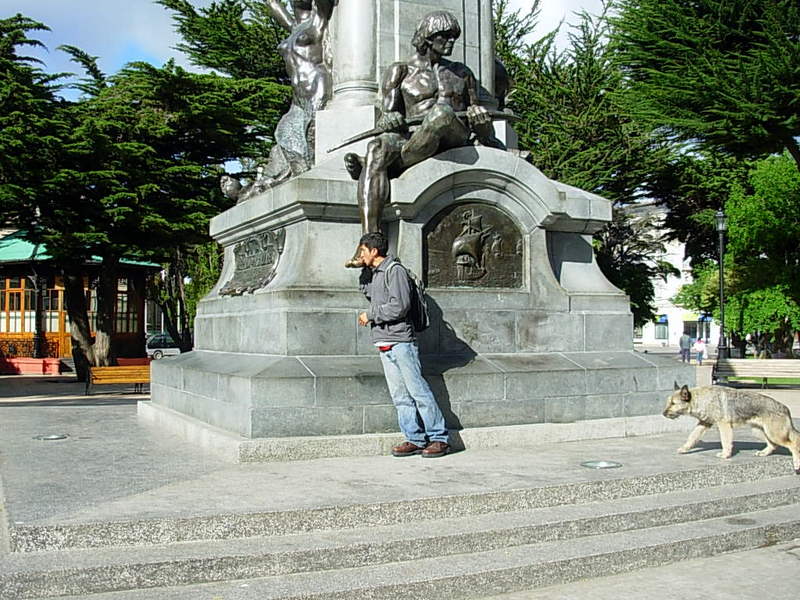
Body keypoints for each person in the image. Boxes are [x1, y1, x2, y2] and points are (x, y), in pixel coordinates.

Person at [343, 10, 503, 267]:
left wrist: (481, 124)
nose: (451, 42)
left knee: (441, 113)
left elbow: (482, 129)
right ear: (427, 37)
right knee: (376, 147)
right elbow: (387, 118)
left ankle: (377, 165)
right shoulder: (401, 72)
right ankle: (369, 243)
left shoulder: (462, 73)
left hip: (454, 136)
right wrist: (389, 120)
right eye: (444, 36)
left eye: (454, 37)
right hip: (414, 138)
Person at [356, 232, 450, 457]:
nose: (360, 255)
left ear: (374, 251)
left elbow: (400, 306)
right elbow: (368, 292)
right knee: (400, 396)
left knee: (418, 392)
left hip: (401, 342)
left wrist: (370, 315)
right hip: (384, 342)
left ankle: (439, 438)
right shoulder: (376, 273)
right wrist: (361, 270)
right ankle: (415, 438)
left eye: (362, 251)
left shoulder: (394, 271)